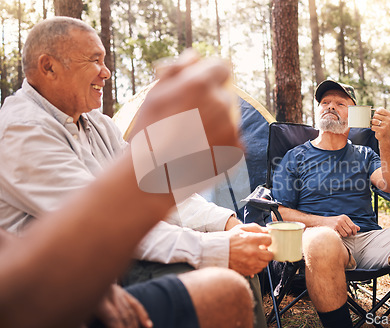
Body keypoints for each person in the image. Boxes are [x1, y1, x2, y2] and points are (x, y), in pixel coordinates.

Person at [0, 17, 271, 327]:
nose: (107, 72)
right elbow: (105, 224)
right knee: (226, 280)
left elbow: (154, 186)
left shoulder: (98, 124)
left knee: (237, 274)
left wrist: (226, 222)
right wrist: (216, 249)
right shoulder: (21, 130)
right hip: (53, 294)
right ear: (48, 67)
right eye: (95, 60)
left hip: (107, 271)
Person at [271, 80, 390, 328]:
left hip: (369, 239)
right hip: (321, 241)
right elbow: (278, 214)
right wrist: (325, 223)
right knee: (322, 241)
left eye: (340, 103)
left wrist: (384, 139)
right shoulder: (295, 157)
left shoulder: (364, 154)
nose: (330, 106)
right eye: (325, 102)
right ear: (317, 111)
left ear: (357, 115)